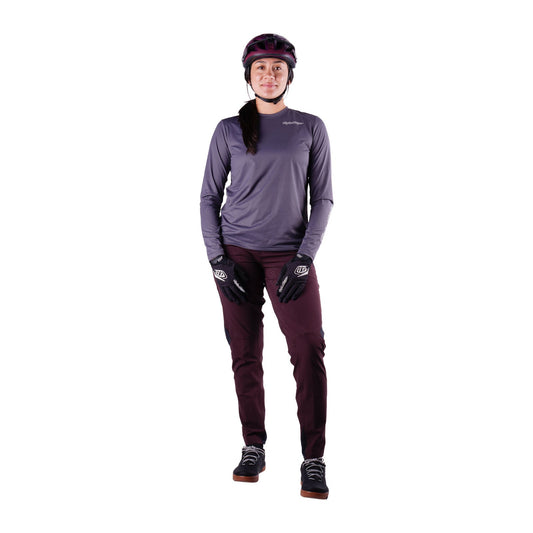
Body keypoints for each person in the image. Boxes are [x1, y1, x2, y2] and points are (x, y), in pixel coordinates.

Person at [200, 33, 333, 499]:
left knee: (308, 349)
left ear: (289, 76)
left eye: (278, 68)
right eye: (261, 68)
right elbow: (209, 197)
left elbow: (324, 198)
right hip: (237, 254)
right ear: (249, 75)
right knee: (245, 351)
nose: (269, 75)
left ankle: (313, 459)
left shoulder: (310, 127)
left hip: (289, 255)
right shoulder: (227, 130)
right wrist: (217, 260)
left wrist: (305, 258)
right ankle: (253, 446)